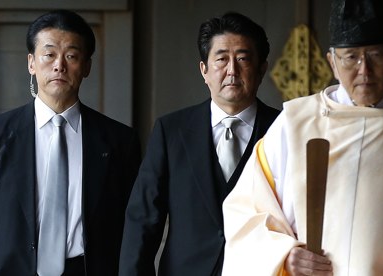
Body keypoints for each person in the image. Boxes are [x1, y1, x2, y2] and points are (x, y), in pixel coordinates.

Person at [221, 0, 383, 275]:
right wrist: (285, 256)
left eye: (376, 55)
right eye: (351, 57)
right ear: (332, 61)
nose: (364, 71)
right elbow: (246, 214)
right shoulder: (295, 123)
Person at [119, 12, 280, 276]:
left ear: (262, 68)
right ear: (204, 70)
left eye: (242, 58)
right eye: (221, 59)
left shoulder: (284, 130)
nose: (232, 70)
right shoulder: (171, 131)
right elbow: (143, 220)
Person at [0, 10, 141, 275]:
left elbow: (133, 226)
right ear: (31, 63)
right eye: (49, 54)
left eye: (71, 56)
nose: (59, 65)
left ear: (86, 66)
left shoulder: (120, 141)